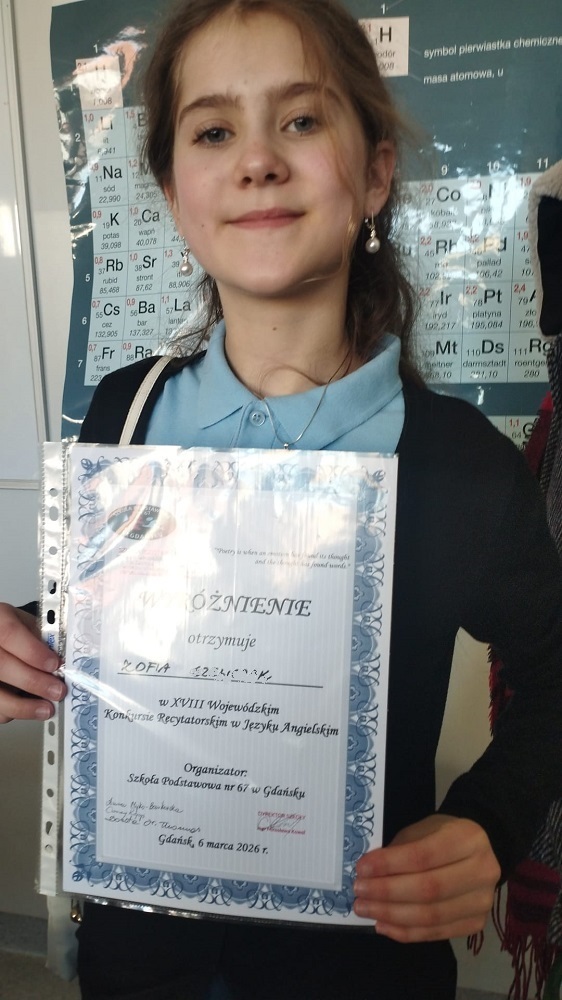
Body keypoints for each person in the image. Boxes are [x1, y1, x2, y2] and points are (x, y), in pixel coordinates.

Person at [1, 0, 561, 997]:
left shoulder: (457, 464)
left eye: (300, 120)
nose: (257, 160)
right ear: (174, 193)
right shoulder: (126, 412)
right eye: (214, 131)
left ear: (375, 174)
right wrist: (22, 641)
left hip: (357, 968)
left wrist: (490, 819)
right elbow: (118, 623)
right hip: (135, 964)